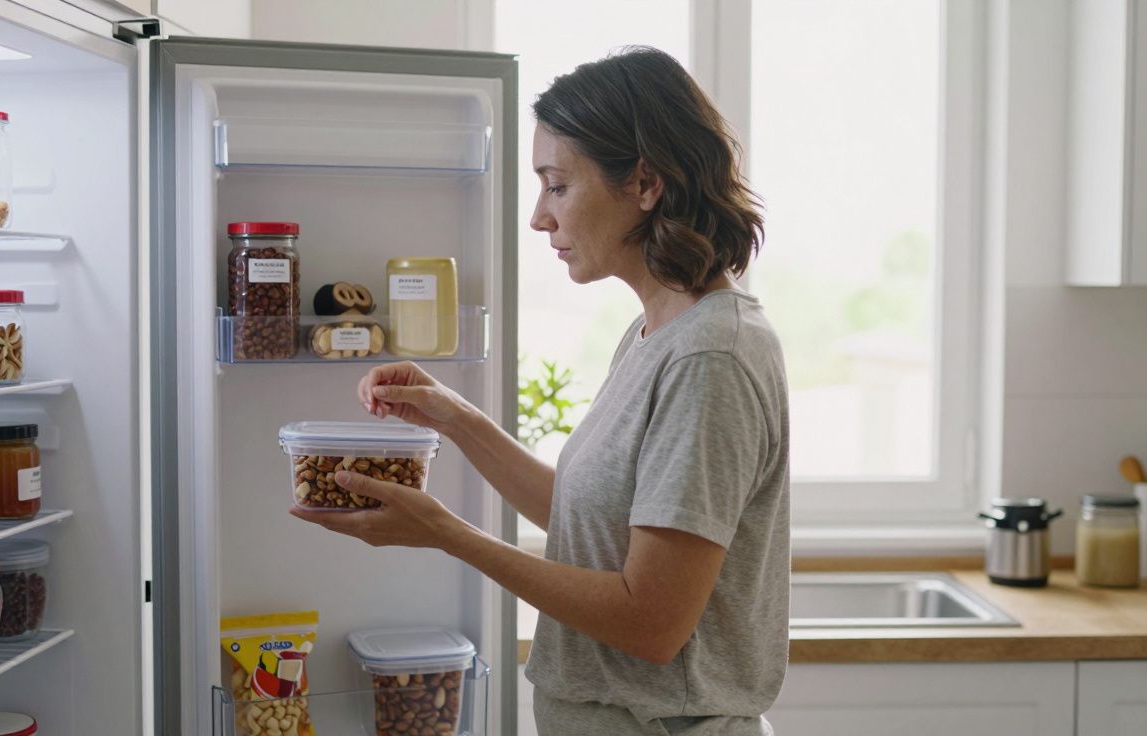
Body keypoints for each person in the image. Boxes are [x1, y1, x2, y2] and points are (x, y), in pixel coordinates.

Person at [291, 46, 789, 736]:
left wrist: (446, 534)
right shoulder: (656, 333)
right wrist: (454, 416)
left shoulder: (711, 356)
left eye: (557, 185)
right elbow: (589, 525)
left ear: (645, 183)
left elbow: (651, 623)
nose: (538, 216)